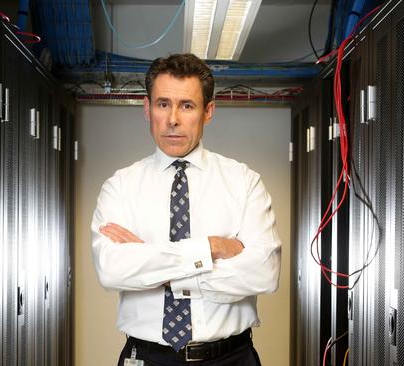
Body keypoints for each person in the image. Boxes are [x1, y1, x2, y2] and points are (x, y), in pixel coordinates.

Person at [91, 53, 281, 365]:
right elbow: (112, 270)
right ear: (147, 108)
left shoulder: (244, 182)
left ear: (208, 111)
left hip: (231, 358)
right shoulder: (120, 186)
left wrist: (154, 264)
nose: (173, 119)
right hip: (147, 357)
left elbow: (264, 273)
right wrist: (209, 249)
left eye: (187, 106)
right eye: (163, 104)